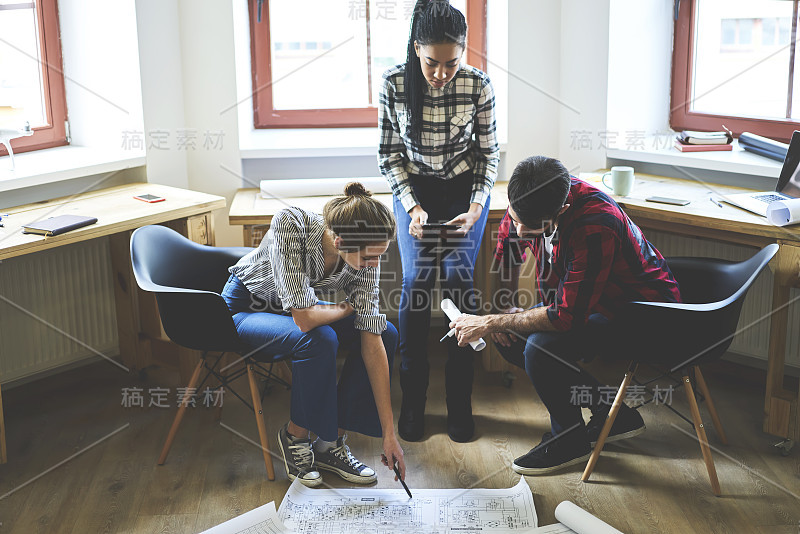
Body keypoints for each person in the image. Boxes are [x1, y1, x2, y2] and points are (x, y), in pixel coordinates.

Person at [449, 157, 682, 474]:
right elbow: (507, 248)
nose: (519, 229)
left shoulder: (595, 226)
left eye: (529, 227)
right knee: (509, 336)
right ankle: (612, 412)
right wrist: (506, 309)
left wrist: (489, 321)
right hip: (592, 306)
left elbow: (564, 318)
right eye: (515, 217)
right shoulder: (529, 199)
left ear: (559, 211)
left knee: (539, 348)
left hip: (641, 315)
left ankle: (569, 439)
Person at [221, 182, 405, 487]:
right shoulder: (290, 223)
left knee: (385, 332)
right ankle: (296, 435)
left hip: (295, 308)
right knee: (319, 339)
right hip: (246, 309)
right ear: (340, 240)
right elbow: (305, 320)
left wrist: (389, 433)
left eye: (379, 257)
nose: (375, 266)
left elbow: (370, 335)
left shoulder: (364, 252)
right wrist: (346, 310)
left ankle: (329, 445)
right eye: (369, 259)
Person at [378, 0, 499, 443]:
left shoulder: (478, 85)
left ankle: (459, 407)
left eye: (452, 61)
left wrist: (474, 208)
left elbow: (488, 155)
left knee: (458, 279)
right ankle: (412, 404)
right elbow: (389, 156)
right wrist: (413, 208)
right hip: (416, 194)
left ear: (463, 52)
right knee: (417, 281)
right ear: (416, 49)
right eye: (432, 62)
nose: (442, 72)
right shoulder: (393, 83)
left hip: (465, 194)